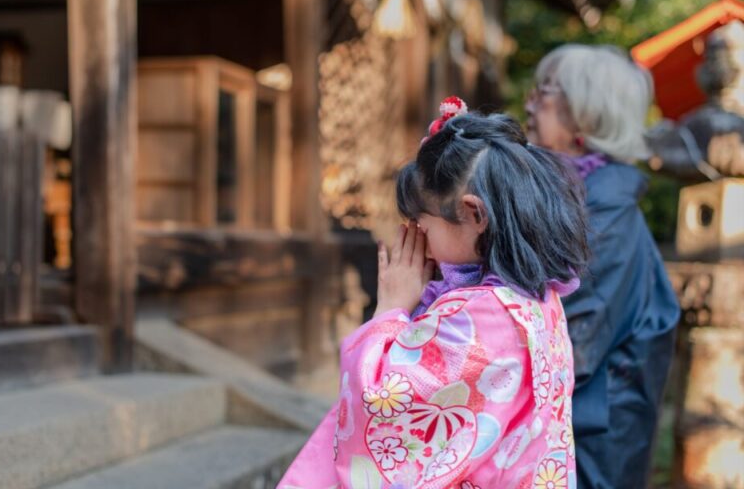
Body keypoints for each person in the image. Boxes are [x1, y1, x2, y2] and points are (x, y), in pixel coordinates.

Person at [279, 98, 589, 488]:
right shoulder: (539, 297)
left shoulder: (485, 316)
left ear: (473, 214)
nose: (417, 241)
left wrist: (390, 310)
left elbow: (384, 404)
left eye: (422, 225)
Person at [525, 45, 681, 489]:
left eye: (545, 91)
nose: (530, 102)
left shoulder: (604, 217)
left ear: (587, 115)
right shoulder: (582, 200)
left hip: (587, 451)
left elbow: (567, 347)